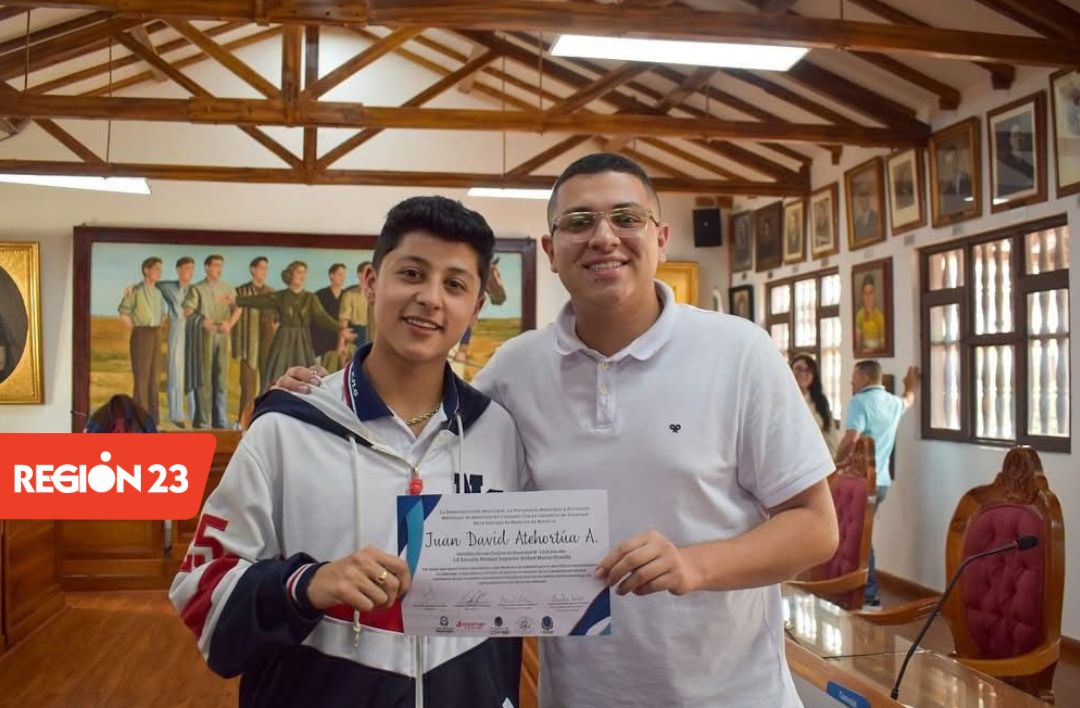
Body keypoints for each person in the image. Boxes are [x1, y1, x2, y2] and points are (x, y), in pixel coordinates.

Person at [280, 152, 839, 707]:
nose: (604, 238)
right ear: (550, 251)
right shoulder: (515, 369)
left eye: (626, 218)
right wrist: (321, 393)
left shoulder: (739, 352)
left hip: (735, 695)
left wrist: (695, 564)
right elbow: (418, 425)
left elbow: (816, 527)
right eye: (579, 222)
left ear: (661, 238)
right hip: (578, 696)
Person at [170, 196, 526, 707]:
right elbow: (201, 592)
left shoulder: (497, 431)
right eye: (411, 273)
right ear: (371, 283)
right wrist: (306, 584)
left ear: (475, 308)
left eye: (454, 285)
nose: (430, 298)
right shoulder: (287, 428)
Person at [834, 360, 920, 609]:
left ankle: (868, 593)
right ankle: (853, 588)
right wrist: (910, 386)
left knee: (857, 537)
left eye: (854, 377)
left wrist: (834, 465)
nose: (851, 381)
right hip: (881, 482)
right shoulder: (892, 402)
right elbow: (909, 400)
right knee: (860, 534)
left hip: (859, 483)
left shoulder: (859, 402)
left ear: (864, 377)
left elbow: (851, 439)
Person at [231, 261, 344, 390]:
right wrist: (237, 300)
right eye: (299, 272)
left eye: (304, 273)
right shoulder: (281, 296)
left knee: (306, 375)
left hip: (302, 341)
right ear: (290, 275)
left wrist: (340, 328)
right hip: (283, 339)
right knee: (278, 373)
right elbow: (261, 301)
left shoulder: (310, 297)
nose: (302, 276)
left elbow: (322, 317)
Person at [183, 254, 241, 429]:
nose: (219, 269)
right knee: (204, 377)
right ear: (207, 267)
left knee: (221, 377)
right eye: (215, 265)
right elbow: (187, 311)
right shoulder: (197, 289)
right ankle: (203, 420)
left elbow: (238, 308)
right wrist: (202, 321)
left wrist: (229, 324)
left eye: (221, 265)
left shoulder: (228, 288)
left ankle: (220, 419)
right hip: (204, 337)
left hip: (223, 335)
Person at [118, 257, 166, 423]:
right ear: (146, 270)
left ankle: (153, 417)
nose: (159, 272)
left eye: (160, 269)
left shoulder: (158, 293)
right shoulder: (135, 291)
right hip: (141, 334)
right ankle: (141, 417)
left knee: (155, 378)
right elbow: (123, 312)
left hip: (156, 333)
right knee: (142, 378)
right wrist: (136, 328)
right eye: (156, 269)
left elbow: (163, 314)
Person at [233, 256, 277, 418]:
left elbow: (277, 318)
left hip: (268, 343)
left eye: (266, 268)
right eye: (261, 268)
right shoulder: (241, 291)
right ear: (253, 269)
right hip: (247, 343)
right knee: (247, 386)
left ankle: (264, 419)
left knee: (268, 384)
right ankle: (243, 421)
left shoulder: (272, 293)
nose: (264, 272)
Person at [157, 257, 196, 428]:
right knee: (175, 369)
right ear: (179, 270)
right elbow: (150, 284)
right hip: (176, 328)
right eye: (187, 268)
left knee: (193, 371)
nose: (190, 272)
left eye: (192, 268)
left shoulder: (195, 289)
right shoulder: (167, 287)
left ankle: (195, 413)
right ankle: (176, 413)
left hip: (193, 331)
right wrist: (132, 288)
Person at [791, 354, 839, 458]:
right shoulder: (781, 399)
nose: (803, 373)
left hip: (815, 459)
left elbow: (829, 434)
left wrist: (833, 460)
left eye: (808, 370)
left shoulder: (820, 402)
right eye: (798, 369)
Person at [313, 263, 347, 372]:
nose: (342, 278)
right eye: (339, 274)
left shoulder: (347, 295)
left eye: (344, 275)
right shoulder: (320, 295)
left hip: (343, 339)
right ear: (331, 275)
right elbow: (316, 319)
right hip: (324, 341)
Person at [939, 143, 973, 215]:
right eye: (948, 162)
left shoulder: (966, 177)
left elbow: (970, 201)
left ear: (957, 161)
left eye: (953, 160)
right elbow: (945, 208)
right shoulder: (945, 184)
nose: (950, 164)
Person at [855, 274, 886, 353]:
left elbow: (883, 343)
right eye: (865, 293)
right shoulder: (859, 315)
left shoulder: (879, 316)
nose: (868, 297)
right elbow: (857, 342)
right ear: (862, 295)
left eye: (870, 293)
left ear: (874, 294)